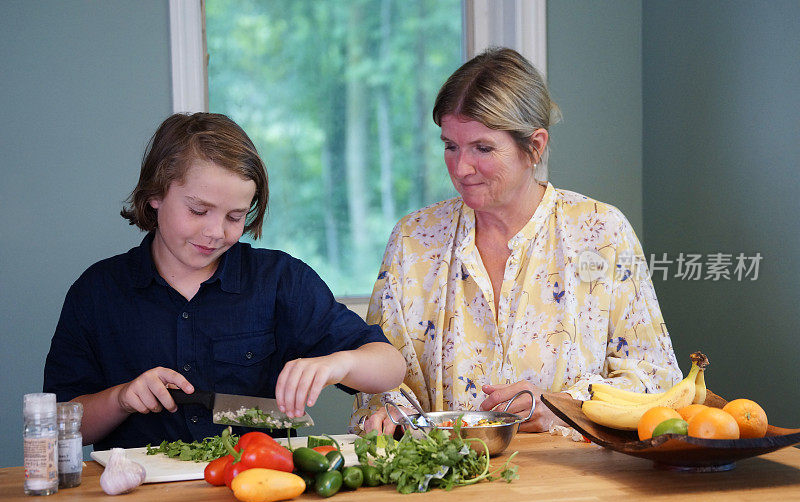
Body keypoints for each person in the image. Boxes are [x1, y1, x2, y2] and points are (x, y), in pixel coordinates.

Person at [350, 47, 682, 435]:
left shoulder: (601, 232)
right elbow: (381, 381)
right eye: (450, 146)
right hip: (445, 484)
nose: (461, 168)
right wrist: (389, 411)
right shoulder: (413, 239)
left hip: (575, 487)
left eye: (483, 148)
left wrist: (561, 407)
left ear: (535, 146)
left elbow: (655, 380)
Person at [44, 112, 406, 449]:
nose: (216, 232)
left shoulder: (280, 280)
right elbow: (61, 427)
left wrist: (336, 364)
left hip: (259, 489)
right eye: (198, 211)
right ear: (155, 193)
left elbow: (390, 366)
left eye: (235, 216)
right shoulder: (97, 292)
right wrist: (121, 399)